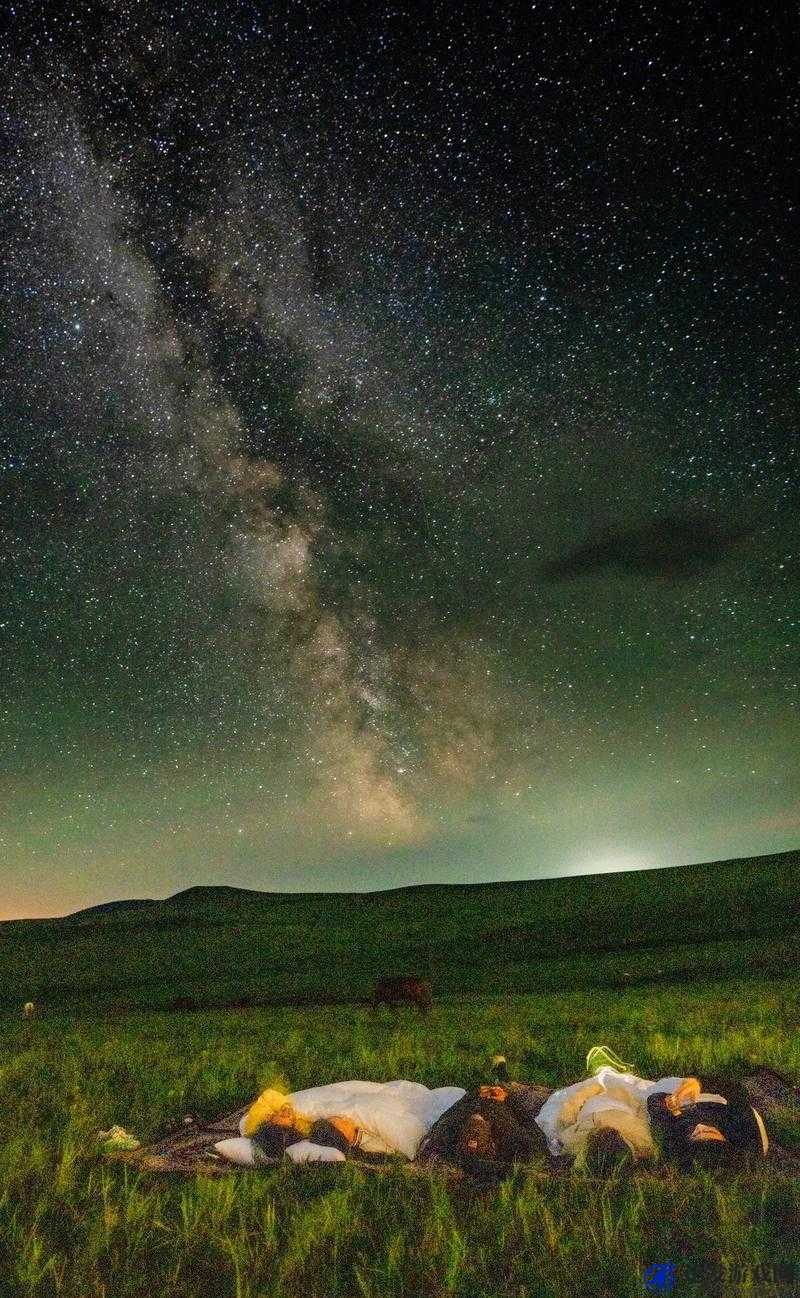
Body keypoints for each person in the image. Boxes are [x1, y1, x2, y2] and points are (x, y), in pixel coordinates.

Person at [534, 1045, 769, 1171]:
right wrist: (697, 1083)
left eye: (696, 1135)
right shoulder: (745, 1135)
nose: (700, 1129)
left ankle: (608, 1074)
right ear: (723, 1140)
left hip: (672, 1108)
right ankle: (611, 1074)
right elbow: (735, 1089)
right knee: (659, 1087)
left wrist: (670, 1108)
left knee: (620, 1100)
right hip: (708, 1100)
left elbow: (655, 1105)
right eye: (707, 1134)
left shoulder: (674, 1142)